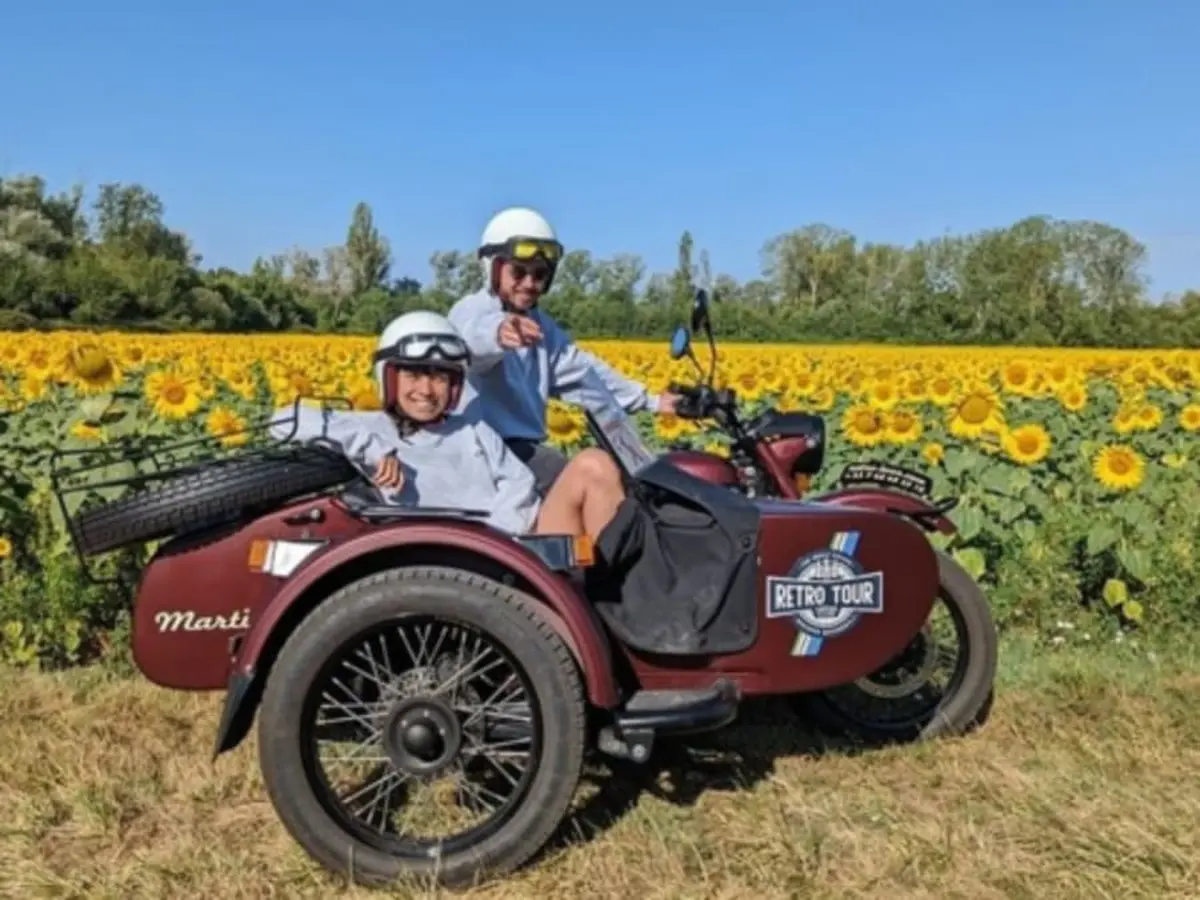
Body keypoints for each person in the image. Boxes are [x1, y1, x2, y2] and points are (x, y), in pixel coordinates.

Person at [270, 310, 626, 542]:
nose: (426, 391)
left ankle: (616, 604)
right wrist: (372, 451)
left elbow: (518, 483)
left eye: (440, 378)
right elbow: (283, 419)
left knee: (594, 464)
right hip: (451, 564)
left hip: (515, 542)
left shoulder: (472, 429)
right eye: (413, 375)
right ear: (388, 378)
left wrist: (498, 533)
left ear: (455, 386)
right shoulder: (370, 427)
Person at [448, 206, 683, 496]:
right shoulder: (472, 310)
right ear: (493, 269)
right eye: (518, 272)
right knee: (584, 482)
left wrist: (654, 402)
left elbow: (585, 373)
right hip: (482, 451)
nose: (529, 284)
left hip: (525, 451)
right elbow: (466, 343)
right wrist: (498, 333)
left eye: (539, 275)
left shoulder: (540, 326)